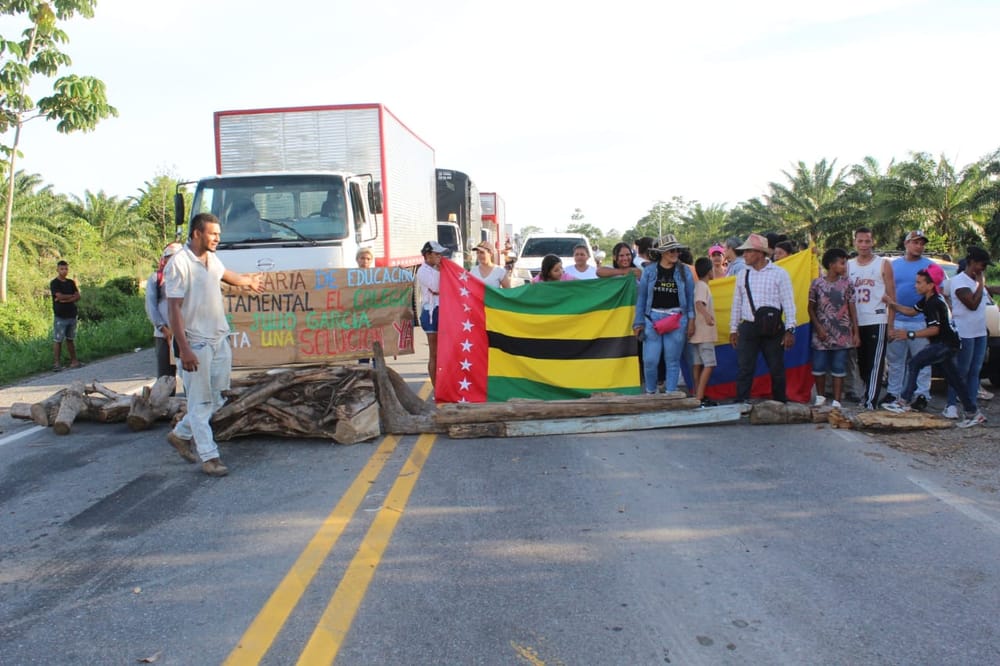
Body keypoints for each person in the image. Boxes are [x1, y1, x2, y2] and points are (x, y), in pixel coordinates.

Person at [164, 213, 264, 477]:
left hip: (219, 338)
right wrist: (183, 348)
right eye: (213, 234)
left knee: (218, 398)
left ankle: (180, 434)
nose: (218, 238)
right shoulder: (178, 264)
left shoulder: (211, 259)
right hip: (195, 343)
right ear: (197, 233)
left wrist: (248, 281)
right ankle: (209, 457)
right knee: (199, 402)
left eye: (219, 234)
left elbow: (226, 275)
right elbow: (173, 308)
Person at [882, 264, 984, 428]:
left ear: (930, 285)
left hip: (945, 344)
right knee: (955, 379)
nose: (916, 285)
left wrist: (909, 334)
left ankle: (904, 401)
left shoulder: (934, 303)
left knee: (914, 363)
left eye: (919, 283)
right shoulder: (928, 299)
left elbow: (934, 329)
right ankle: (973, 412)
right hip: (948, 344)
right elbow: (911, 312)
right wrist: (892, 303)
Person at [729, 233, 797, 405]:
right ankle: (741, 403)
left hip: (773, 328)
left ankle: (780, 403)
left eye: (748, 251)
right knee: (745, 368)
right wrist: (733, 329)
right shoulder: (742, 274)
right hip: (749, 326)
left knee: (777, 368)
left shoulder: (779, 273)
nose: (744, 255)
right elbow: (737, 303)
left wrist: (790, 330)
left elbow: (788, 302)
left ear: (759, 253)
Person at [633, 234, 696, 395]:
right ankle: (651, 393)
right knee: (650, 360)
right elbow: (642, 298)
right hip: (652, 318)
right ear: (662, 252)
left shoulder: (685, 272)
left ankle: (670, 395)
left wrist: (691, 321)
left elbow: (690, 299)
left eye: (677, 250)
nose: (675, 253)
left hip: (677, 319)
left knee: (672, 361)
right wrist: (638, 322)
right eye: (671, 250)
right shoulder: (649, 271)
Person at [884, 230, 933, 411]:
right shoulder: (893, 265)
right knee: (896, 360)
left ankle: (921, 394)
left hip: (920, 321)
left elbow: (938, 293)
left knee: (922, 360)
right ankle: (893, 392)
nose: (919, 246)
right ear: (906, 244)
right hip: (897, 319)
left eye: (921, 243)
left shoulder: (930, 266)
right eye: (915, 242)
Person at [941, 247, 992, 419]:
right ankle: (951, 405)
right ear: (972, 263)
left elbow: (987, 293)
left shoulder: (976, 282)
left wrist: (983, 284)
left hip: (979, 332)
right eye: (981, 264)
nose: (983, 268)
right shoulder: (959, 282)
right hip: (964, 333)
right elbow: (972, 304)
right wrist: (981, 282)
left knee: (975, 371)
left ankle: (971, 406)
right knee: (961, 370)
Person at [848, 227, 896, 410]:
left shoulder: (883, 264)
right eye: (860, 241)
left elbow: (892, 295)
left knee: (876, 363)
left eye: (867, 241)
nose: (864, 245)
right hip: (857, 321)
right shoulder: (849, 265)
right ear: (855, 242)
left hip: (877, 319)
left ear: (873, 242)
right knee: (862, 363)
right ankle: (865, 395)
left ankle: (870, 402)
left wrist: (891, 324)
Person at [808, 248, 860, 409]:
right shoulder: (817, 284)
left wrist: (855, 332)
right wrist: (819, 328)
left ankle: (837, 400)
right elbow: (810, 308)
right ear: (831, 265)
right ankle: (821, 396)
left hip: (842, 333)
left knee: (839, 367)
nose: (845, 266)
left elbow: (852, 309)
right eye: (842, 263)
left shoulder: (848, 284)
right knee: (819, 366)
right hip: (821, 333)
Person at [144, 242, 184, 382]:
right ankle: (165, 403)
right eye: (170, 257)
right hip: (163, 334)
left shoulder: (187, 277)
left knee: (189, 373)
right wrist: (163, 328)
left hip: (186, 334)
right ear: (164, 259)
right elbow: (151, 306)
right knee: (166, 375)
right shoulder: (156, 278)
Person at [417, 240, 448, 385]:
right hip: (431, 311)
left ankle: (445, 384)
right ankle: (436, 387)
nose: (440, 257)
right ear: (428, 255)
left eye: (441, 254)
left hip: (443, 309)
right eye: (437, 254)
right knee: (434, 353)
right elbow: (436, 287)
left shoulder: (438, 268)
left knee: (446, 352)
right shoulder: (423, 270)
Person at [690, 257, 718, 406]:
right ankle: (699, 397)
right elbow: (699, 303)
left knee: (697, 364)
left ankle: (697, 394)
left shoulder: (697, 285)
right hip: (704, 333)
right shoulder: (702, 286)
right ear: (709, 272)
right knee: (709, 364)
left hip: (696, 333)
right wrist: (707, 315)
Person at [50, 260, 82, 371]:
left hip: (72, 315)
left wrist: (66, 299)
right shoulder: (54, 283)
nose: (64, 271)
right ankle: (57, 363)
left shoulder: (71, 282)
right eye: (62, 269)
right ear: (57, 270)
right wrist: (70, 297)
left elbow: (77, 296)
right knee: (58, 340)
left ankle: (74, 361)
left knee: (70, 339)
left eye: (66, 269)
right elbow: (59, 296)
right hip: (60, 316)